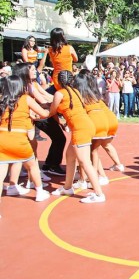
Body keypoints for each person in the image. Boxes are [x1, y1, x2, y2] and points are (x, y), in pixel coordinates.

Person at [49, 70, 105, 203]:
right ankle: (67, 187)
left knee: (85, 161)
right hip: (85, 125)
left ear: (58, 81)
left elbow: (51, 111)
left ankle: (99, 194)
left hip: (81, 129)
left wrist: (37, 114)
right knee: (70, 156)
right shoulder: (76, 91)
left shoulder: (59, 93)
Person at [0, 75, 51, 207]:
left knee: (1, 174)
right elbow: (44, 114)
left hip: (3, 140)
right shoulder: (26, 99)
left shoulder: (2, 100)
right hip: (20, 140)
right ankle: (40, 192)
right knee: (33, 165)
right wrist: (52, 109)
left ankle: (12, 187)